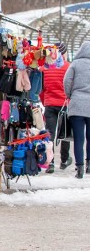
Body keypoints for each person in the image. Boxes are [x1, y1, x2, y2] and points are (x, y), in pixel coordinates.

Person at [41, 42, 72, 173]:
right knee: (64, 133)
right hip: (64, 104)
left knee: (50, 134)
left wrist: (45, 102)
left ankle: (50, 162)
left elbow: (41, 89)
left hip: (49, 105)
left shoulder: (45, 67)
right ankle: (64, 160)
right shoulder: (68, 67)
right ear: (63, 53)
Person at [64, 41, 90, 179]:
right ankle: (89, 166)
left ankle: (79, 169)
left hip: (77, 105)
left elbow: (66, 80)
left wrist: (70, 95)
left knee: (79, 139)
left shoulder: (75, 63)